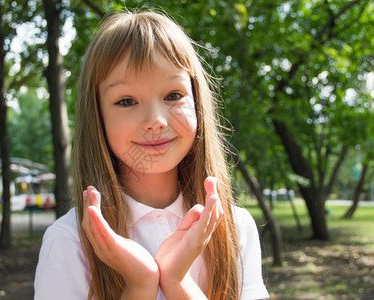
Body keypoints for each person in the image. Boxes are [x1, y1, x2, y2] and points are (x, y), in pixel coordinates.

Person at [34, 10, 269, 300]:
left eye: (173, 95)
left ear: (196, 100)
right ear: (97, 116)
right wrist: (140, 286)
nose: (155, 120)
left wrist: (178, 283)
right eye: (126, 101)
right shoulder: (69, 241)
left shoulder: (234, 227)